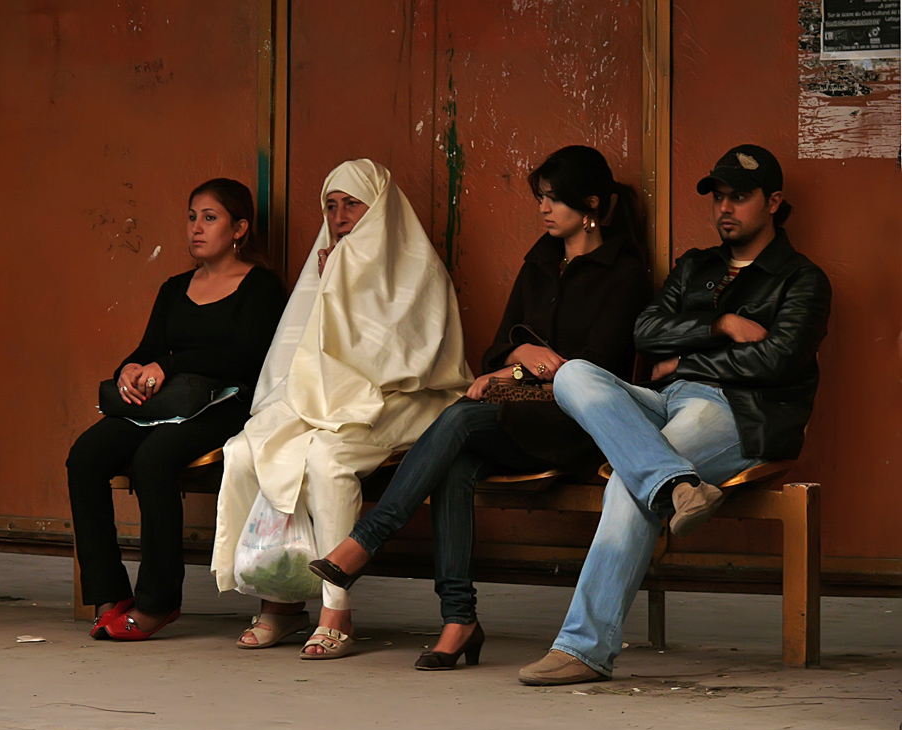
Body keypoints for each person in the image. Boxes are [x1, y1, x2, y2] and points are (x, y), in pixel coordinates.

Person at [310, 145, 651, 670]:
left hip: (578, 425)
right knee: (457, 462)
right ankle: (458, 620)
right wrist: (520, 357)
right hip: (519, 415)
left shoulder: (623, 274)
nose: (543, 209)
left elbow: (596, 372)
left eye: (554, 199)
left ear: (590, 205)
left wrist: (515, 371)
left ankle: (368, 538)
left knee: (466, 416)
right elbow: (496, 351)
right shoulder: (540, 260)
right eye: (540, 198)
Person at [519, 144, 832, 686]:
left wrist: (685, 357)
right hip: (665, 400)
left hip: (737, 412)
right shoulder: (696, 266)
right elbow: (644, 331)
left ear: (774, 202)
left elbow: (777, 360)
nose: (724, 208)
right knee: (572, 374)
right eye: (718, 197)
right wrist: (719, 326)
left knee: (626, 481)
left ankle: (584, 648)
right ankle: (678, 487)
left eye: (740, 197)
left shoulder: (801, 279)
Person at [210, 159, 470, 659]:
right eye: (331, 205)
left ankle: (337, 609)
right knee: (247, 449)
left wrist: (342, 290)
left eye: (353, 202)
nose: (340, 214)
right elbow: (296, 351)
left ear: (380, 207)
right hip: (329, 395)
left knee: (327, 461)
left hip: (404, 398)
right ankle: (278, 600)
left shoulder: (416, 267)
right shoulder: (328, 261)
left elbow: (405, 360)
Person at [67, 178, 285, 641]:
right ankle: (110, 595)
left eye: (210, 218)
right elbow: (149, 348)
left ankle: (158, 602)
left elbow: (246, 357)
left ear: (239, 228)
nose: (196, 229)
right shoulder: (174, 288)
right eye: (191, 218)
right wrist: (129, 368)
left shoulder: (261, 287)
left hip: (228, 404)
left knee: (154, 458)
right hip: (168, 403)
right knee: (85, 455)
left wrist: (169, 365)